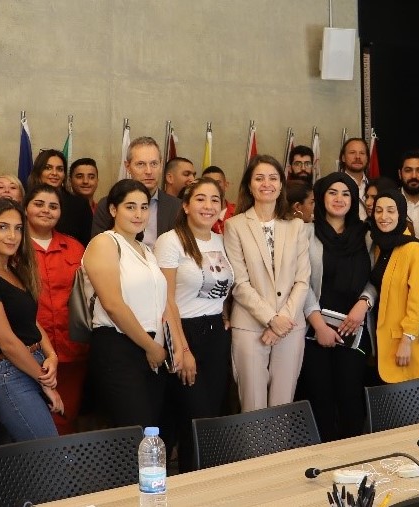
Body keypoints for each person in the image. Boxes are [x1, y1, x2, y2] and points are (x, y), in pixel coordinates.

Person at [0, 198, 61, 441]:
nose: (12, 236)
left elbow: (30, 322)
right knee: (50, 453)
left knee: (39, 459)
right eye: (2, 227)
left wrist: (51, 355)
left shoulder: (14, 271)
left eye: (18, 228)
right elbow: (7, 341)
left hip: (32, 363)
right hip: (10, 372)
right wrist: (44, 381)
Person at [84, 179, 181, 428]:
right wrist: (150, 346)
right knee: (133, 430)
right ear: (114, 210)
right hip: (119, 346)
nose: (139, 214)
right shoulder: (105, 243)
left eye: (144, 207)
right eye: (130, 207)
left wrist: (171, 346)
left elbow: (162, 303)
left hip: (153, 349)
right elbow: (113, 305)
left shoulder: (145, 250)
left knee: (151, 430)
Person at [156, 178, 234, 471]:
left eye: (215, 200)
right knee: (191, 418)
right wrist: (182, 348)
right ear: (186, 205)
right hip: (184, 333)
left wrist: (224, 313)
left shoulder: (221, 241)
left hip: (216, 335)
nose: (208, 205)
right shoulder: (171, 240)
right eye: (200, 199)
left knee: (208, 420)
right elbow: (166, 299)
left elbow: (225, 286)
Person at [223, 155, 311, 412]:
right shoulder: (234, 225)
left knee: (283, 406)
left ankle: (280, 454)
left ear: (281, 185)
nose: (266, 184)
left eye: (273, 178)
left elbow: (302, 280)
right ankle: (254, 454)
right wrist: (271, 318)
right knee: (252, 406)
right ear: (249, 185)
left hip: (290, 326)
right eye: (259, 178)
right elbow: (239, 283)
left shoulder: (296, 226)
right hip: (250, 327)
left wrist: (281, 321)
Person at [300, 173, 377, 441]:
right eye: (332, 192)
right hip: (314, 331)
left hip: (354, 330)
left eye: (346, 193)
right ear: (321, 197)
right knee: (319, 398)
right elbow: (301, 281)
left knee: (351, 397)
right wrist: (319, 324)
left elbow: (376, 277)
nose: (339, 199)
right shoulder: (305, 233)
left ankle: (353, 461)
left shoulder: (367, 235)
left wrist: (364, 303)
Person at [23, 184, 88, 435]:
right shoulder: (15, 246)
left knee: (66, 415)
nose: (46, 211)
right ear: (25, 208)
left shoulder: (74, 248)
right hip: (29, 349)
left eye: (53, 206)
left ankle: (63, 469)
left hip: (72, 349)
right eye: (39, 204)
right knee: (33, 421)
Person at [368, 192, 419, 383]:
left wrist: (407, 340)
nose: (384, 217)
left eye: (391, 211)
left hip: (405, 342)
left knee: (414, 406)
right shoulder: (380, 245)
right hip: (383, 342)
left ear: (401, 214)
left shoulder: (413, 248)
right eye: (379, 211)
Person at [91, 137, 182, 247]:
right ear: (128, 167)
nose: (149, 171)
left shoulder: (177, 206)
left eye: (154, 164)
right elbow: (98, 248)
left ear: (161, 165)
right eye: (141, 164)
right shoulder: (108, 204)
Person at [59, 157, 99, 245]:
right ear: (70, 180)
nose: (85, 181)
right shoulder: (60, 210)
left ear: (97, 181)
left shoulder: (103, 210)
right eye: (79, 176)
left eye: (91, 177)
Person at [201, 165, 237, 233]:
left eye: (217, 182)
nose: (213, 186)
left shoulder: (238, 212)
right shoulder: (198, 213)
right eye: (208, 182)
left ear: (226, 185)